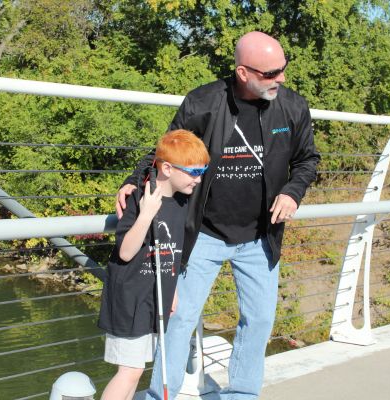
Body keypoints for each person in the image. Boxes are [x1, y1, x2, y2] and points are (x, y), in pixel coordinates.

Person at [117, 31, 320, 399]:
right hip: (203, 234)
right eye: (271, 73)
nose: (281, 79)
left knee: (259, 320)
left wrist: (292, 192)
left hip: (261, 237)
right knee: (179, 318)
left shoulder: (292, 107)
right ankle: (162, 394)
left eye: (283, 69)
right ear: (243, 72)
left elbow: (308, 160)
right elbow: (165, 152)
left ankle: (242, 394)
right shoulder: (204, 102)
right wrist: (133, 182)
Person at [98, 129, 210, 400]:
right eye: (194, 172)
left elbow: (171, 251)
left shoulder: (182, 200)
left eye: (203, 171)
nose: (198, 179)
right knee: (129, 372)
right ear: (169, 168)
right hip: (129, 298)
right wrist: (147, 213)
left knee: (136, 371)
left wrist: (171, 292)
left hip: (154, 296)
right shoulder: (140, 196)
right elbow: (125, 252)